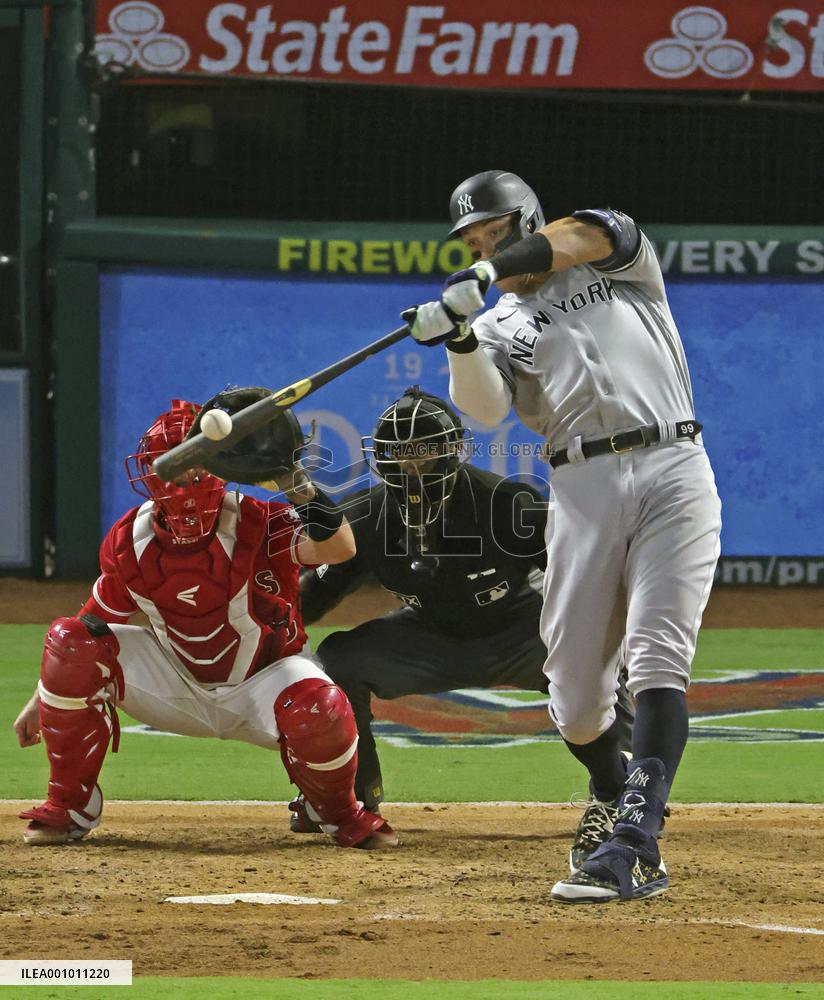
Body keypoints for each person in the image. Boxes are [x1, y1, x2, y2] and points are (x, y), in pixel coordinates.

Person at [403, 171, 722, 902]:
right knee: (576, 699)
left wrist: (487, 269)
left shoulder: (616, 262)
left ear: (527, 219)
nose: (484, 245)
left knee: (657, 657)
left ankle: (636, 846)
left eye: (494, 231)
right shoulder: (496, 327)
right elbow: (483, 413)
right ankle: (615, 793)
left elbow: (583, 235)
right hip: (581, 489)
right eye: (472, 240)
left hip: (675, 465)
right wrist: (456, 336)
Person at [13, 392, 397, 850]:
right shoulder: (130, 540)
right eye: (173, 467)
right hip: (176, 684)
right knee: (69, 640)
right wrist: (44, 697)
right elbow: (92, 620)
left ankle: (335, 811)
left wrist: (294, 482)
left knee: (322, 705)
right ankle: (69, 807)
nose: (184, 482)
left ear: (222, 470)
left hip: (262, 684)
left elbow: (339, 549)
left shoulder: (260, 521)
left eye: (196, 466)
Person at [288, 385, 634, 870]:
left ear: (453, 451)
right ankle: (350, 800)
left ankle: (623, 790)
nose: (411, 468)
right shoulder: (363, 519)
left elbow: (583, 583)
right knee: (339, 660)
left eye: (424, 454)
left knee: (590, 653)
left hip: (522, 633)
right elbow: (311, 601)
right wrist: (259, 632)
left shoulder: (507, 505)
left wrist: (603, 644)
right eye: (398, 455)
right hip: (427, 639)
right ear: (379, 458)